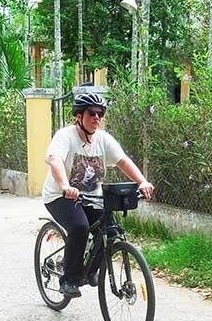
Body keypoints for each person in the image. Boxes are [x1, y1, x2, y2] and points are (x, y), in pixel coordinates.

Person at [42, 92, 154, 298]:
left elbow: (123, 161)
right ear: (79, 115)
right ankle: (69, 279)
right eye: (92, 113)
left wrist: (142, 181)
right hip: (60, 195)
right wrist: (66, 185)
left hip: (91, 197)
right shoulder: (65, 136)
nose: (97, 118)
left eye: (100, 114)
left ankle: (90, 271)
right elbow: (55, 160)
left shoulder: (103, 139)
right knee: (79, 226)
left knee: (110, 232)